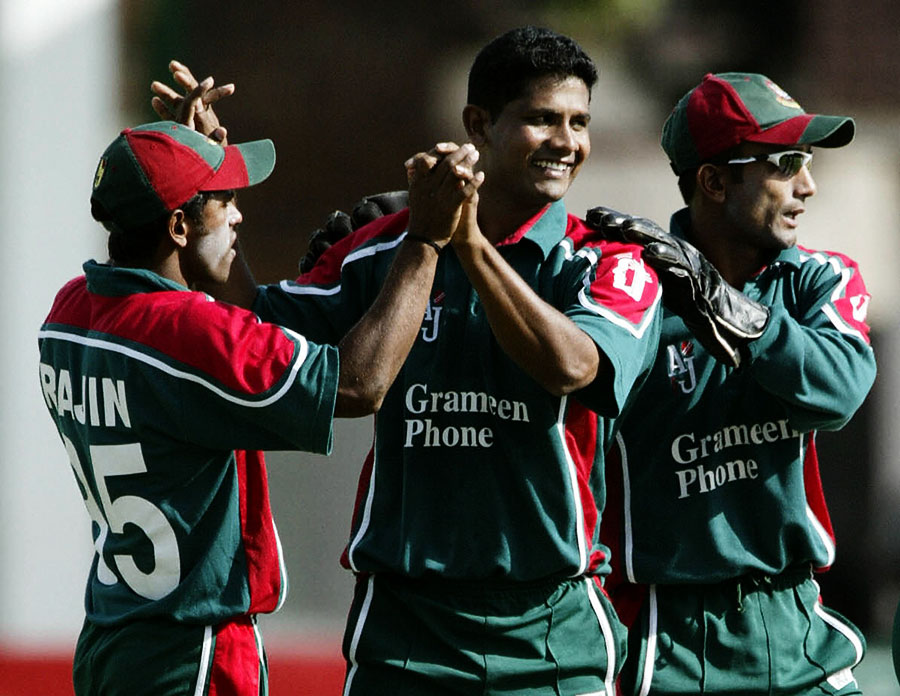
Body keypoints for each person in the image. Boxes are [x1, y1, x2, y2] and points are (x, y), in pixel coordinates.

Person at [151, 27, 663, 695]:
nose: (567, 142)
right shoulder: (380, 249)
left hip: (550, 633)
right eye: (543, 119)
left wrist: (467, 244)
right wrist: (207, 184)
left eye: (578, 122)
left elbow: (574, 368)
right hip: (405, 631)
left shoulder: (606, 258)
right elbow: (253, 318)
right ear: (479, 124)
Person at [38, 119, 467, 695]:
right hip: (192, 649)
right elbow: (358, 386)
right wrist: (425, 242)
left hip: (112, 640)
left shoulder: (69, 310)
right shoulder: (187, 332)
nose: (239, 214)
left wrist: (182, 155)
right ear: (178, 226)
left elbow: (195, 329)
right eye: (223, 201)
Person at [592, 72, 876, 695]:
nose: (808, 185)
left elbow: (840, 391)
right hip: (672, 642)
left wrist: (726, 308)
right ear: (714, 182)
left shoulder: (819, 280)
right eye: (786, 163)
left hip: (799, 624)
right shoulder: (629, 292)